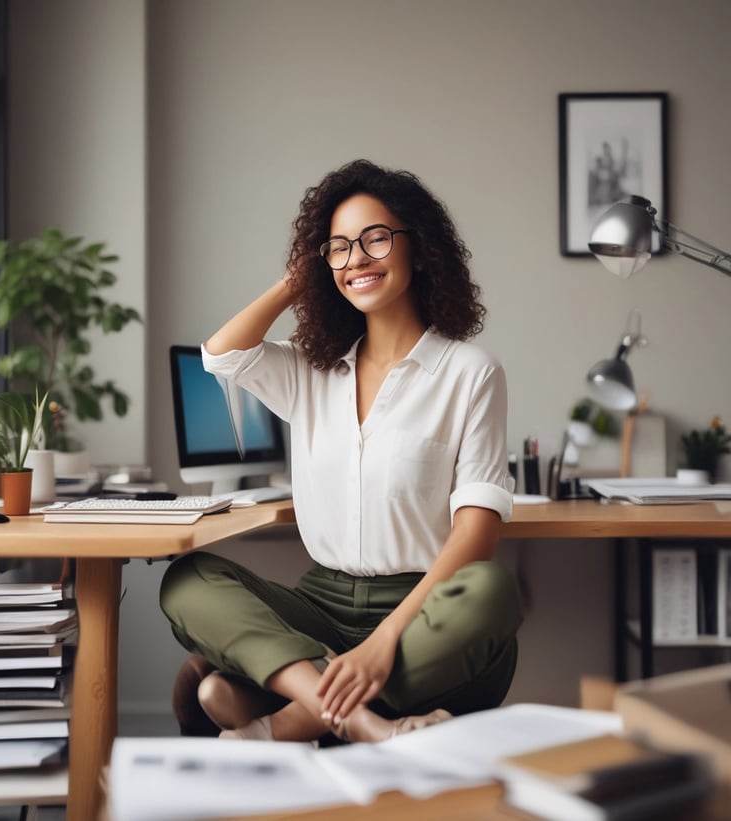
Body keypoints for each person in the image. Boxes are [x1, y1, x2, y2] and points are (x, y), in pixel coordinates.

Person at [159, 159, 522, 744]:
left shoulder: (471, 372)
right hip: (320, 603)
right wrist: (299, 279)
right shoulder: (312, 369)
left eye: (376, 239)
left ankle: (281, 721)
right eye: (338, 247)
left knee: (494, 593)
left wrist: (382, 644)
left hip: (423, 611)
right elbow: (220, 356)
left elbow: (475, 537)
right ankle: (364, 723)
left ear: (420, 249)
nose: (357, 258)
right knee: (187, 579)